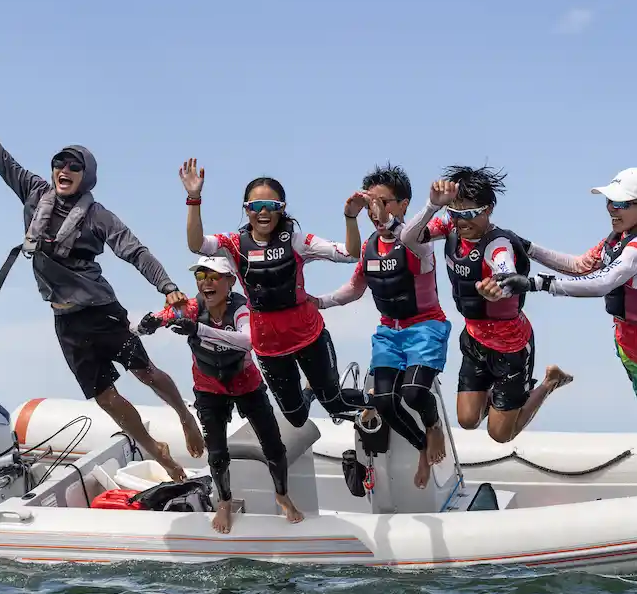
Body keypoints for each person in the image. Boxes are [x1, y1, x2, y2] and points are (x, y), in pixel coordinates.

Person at [0, 85, 204, 482]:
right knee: (106, 398)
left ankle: (183, 414)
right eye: (59, 164)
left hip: (101, 313)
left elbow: (135, 251)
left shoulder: (98, 215)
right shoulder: (32, 191)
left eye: (73, 167)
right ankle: (157, 452)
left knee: (145, 372)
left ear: (86, 176)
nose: (64, 170)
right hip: (66, 321)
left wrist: (167, 287)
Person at [495, 167, 637, 446]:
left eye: (622, 204)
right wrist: (526, 246)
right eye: (609, 202)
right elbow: (579, 266)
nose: (612, 209)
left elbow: (603, 282)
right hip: (627, 336)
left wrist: (535, 283)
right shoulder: (619, 237)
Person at [179, 158, 372, 427]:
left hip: (309, 336)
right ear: (247, 210)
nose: (263, 212)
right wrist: (194, 198)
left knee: (335, 403)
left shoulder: (297, 240)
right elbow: (196, 244)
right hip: (269, 346)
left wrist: (350, 217)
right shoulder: (233, 244)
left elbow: (350, 254)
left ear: (281, 209)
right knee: (296, 417)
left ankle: (380, 401)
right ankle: (308, 392)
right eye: (256, 206)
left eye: (272, 206)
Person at [399, 165, 573, 444]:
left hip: (511, 348)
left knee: (500, 434)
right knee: (467, 421)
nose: (461, 222)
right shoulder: (449, 225)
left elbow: (504, 270)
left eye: (469, 214)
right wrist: (433, 205)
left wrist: (499, 288)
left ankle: (550, 381)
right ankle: (500, 398)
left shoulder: (499, 243)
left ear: (488, 209)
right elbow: (407, 238)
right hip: (475, 341)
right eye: (455, 214)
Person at [136, 255, 304, 532]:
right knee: (216, 454)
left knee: (274, 447)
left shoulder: (242, 309)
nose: (206, 283)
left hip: (246, 385)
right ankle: (224, 501)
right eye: (200, 277)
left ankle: (282, 494)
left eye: (213, 277)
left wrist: (199, 329)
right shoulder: (191, 308)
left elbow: (248, 340)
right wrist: (147, 325)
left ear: (230, 282)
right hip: (209, 388)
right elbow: (164, 317)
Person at [310, 163, 450, 488]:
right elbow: (354, 289)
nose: (375, 210)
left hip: (425, 327)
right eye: (370, 202)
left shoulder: (418, 241)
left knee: (413, 394)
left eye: (384, 201)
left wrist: (404, 215)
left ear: (403, 205)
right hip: (389, 332)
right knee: (383, 402)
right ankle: (421, 447)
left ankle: (433, 427)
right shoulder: (370, 246)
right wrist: (317, 301)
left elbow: (407, 234)